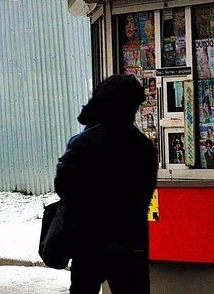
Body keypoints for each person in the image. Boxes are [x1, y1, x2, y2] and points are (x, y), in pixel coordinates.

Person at [55, 74, 158, 294]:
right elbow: (144, 193)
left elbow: (63, 187)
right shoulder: (142, 146)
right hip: (131, 243)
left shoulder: (84, 142)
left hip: (89, 241)